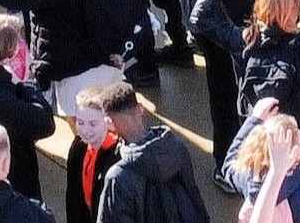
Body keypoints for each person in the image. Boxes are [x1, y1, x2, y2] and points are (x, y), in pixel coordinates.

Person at [85, 79, 212, 223]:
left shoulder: (117, 177)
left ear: (109, 124)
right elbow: (193, 195)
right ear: (141, 109)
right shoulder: (175, 146)